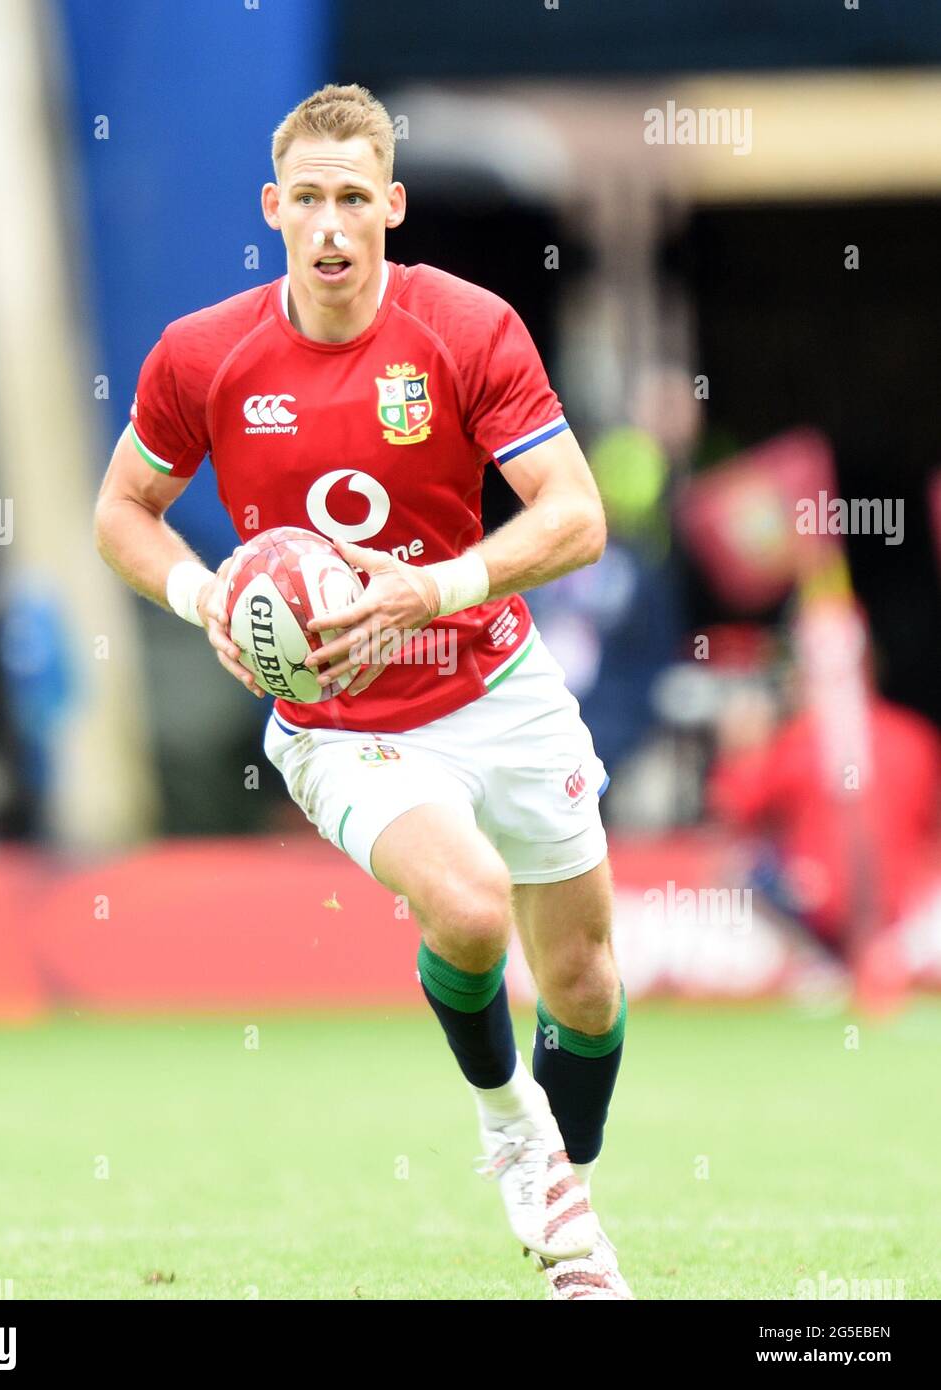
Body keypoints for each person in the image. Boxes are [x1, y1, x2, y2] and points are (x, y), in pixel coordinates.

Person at [94, 84, 631, 1300]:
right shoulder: (203, 354)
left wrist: (433, 589)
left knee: (587, 986)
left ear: (389, 208)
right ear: (272, 209)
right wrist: (205, 599)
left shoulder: (467, 329)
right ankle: (509, 1127)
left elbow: (577, 518)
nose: (330, 225)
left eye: (354, 200)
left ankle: (565, 1192)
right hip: (340, 724)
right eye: (307, 200)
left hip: (493, 675)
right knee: (470, 907)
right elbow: (121, 512)